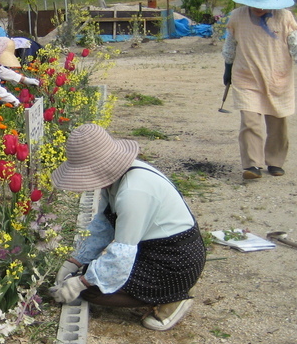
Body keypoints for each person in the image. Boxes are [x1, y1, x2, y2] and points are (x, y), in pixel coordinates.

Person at [49, 124, 206, 331]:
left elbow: (122, 253)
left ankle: (173, 298)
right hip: (154, 251)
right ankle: (164, 292)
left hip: (175, 261)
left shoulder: (133, 192)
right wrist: (75, 261)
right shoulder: (118, 178)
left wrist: (81, 283)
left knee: (92, 292)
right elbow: (104, 225)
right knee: (88, 274)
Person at [222, 0, 297, 181]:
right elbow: (231, 45)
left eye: (263, 5)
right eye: (255, 5)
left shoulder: (284, 18)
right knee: (250, 122)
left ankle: (275, 161)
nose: (259, 9)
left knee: (278, 122)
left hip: (277, 78)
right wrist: (228, 69)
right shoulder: (237, 17)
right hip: (246, 77)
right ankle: (252, 165)